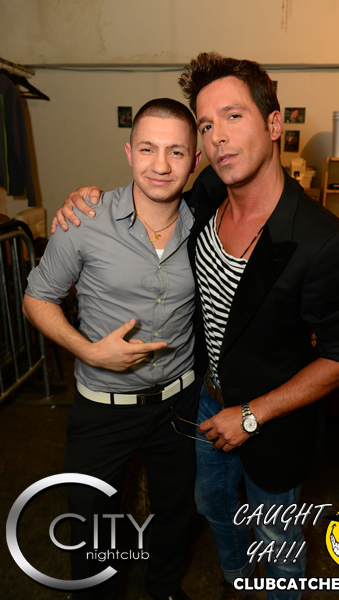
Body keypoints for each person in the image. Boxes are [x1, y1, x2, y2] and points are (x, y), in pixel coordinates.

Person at [53, 52, 339, 600]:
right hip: (201, 404)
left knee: (275, 533)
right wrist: (87, 201)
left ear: (274, 124)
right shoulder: (205, 197)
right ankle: (234, 581)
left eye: (233, 116)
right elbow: (147, 195)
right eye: (205, 124)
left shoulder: (323, 240)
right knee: (211, 506)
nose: (217, 135)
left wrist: (252, 415)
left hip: (269, 418)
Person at [23, 98, 203, 600]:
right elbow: (37, 299)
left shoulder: (209, 223)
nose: (160, 165)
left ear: (195, 160)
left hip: (179, 403)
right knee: (89, 521)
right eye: (147, 149)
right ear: (128, 152)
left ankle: (165, 588)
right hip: (103, 405)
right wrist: (87, 351)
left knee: (176, 509)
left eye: (176, 152)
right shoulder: (85, 219)